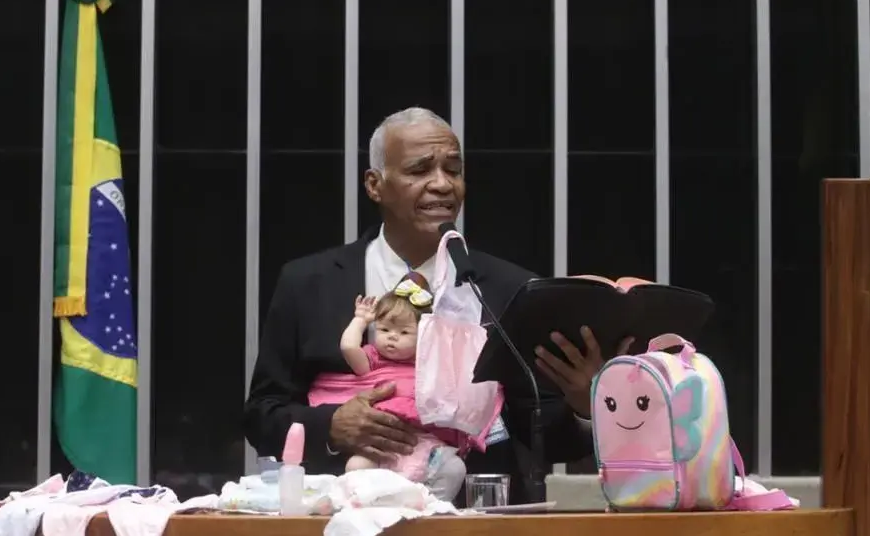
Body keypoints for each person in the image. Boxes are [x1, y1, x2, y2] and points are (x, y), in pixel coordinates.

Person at [244, 107, 630, 503]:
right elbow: (261, 416)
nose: (443, 185)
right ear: (375, 185)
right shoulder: (308, 283)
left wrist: (587, 406)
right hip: (344, 515)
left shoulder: (509, 288)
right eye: (420, 170)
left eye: (453, 169)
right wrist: (331, 426)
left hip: (474, 520)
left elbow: (542, 434)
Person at [338, 274, 467, 493]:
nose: (392, 337)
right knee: (355, 466)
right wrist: (360, 319)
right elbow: (349, 347)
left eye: (404, 332)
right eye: (384, 329)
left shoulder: (431, 361)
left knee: (455, 468)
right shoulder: (373, 360)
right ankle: (374, 503)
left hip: (425, 442)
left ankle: (430, 507)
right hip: (382, 443)